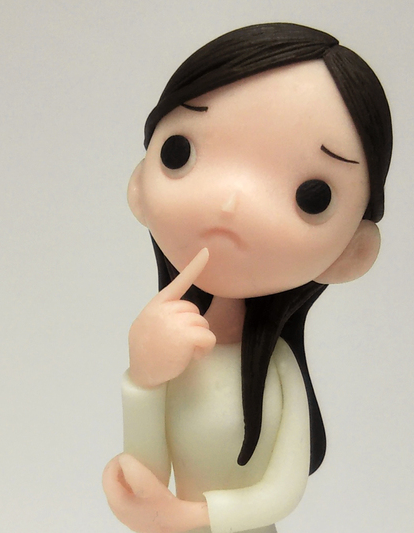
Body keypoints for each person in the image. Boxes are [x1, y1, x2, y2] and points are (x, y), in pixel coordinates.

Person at [102, 23, 392, 533]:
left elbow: (284, 489)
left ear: (352, 252)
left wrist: (190, 516)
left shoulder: (277, 370)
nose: (231, 202)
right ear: (138, 187)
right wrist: (142, 379)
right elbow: (147, 474)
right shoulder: (170, 356)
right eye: (179, 152)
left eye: (313, 196)